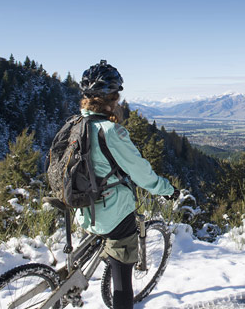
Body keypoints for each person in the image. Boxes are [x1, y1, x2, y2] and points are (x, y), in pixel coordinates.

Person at [76, 60, 178, 309]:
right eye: (116, 96)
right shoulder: (111, 131)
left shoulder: (76, 125)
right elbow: (141, 173)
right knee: (123, 274)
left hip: (82, 208)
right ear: (110, 98)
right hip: (112, 213)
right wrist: (167, 190)